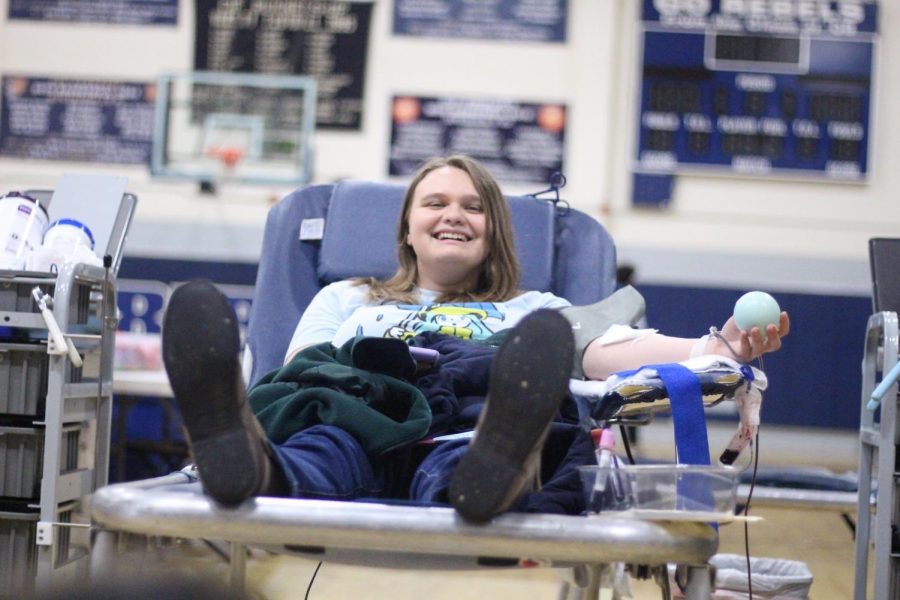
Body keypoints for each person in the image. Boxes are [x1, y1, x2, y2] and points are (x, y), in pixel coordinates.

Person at [161, 155, 789, 522]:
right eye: (434, 202)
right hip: (361, 421)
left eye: (473, 206)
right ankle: (249, 463)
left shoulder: (535, 313)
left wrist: (717, 349)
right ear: (408, 228)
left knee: (474, 445)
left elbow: (612, 353)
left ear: (493, 234)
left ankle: (490, 478)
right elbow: (302, 379)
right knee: (323, 444)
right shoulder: (345, 297)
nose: (453, 214)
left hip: (471, 427)